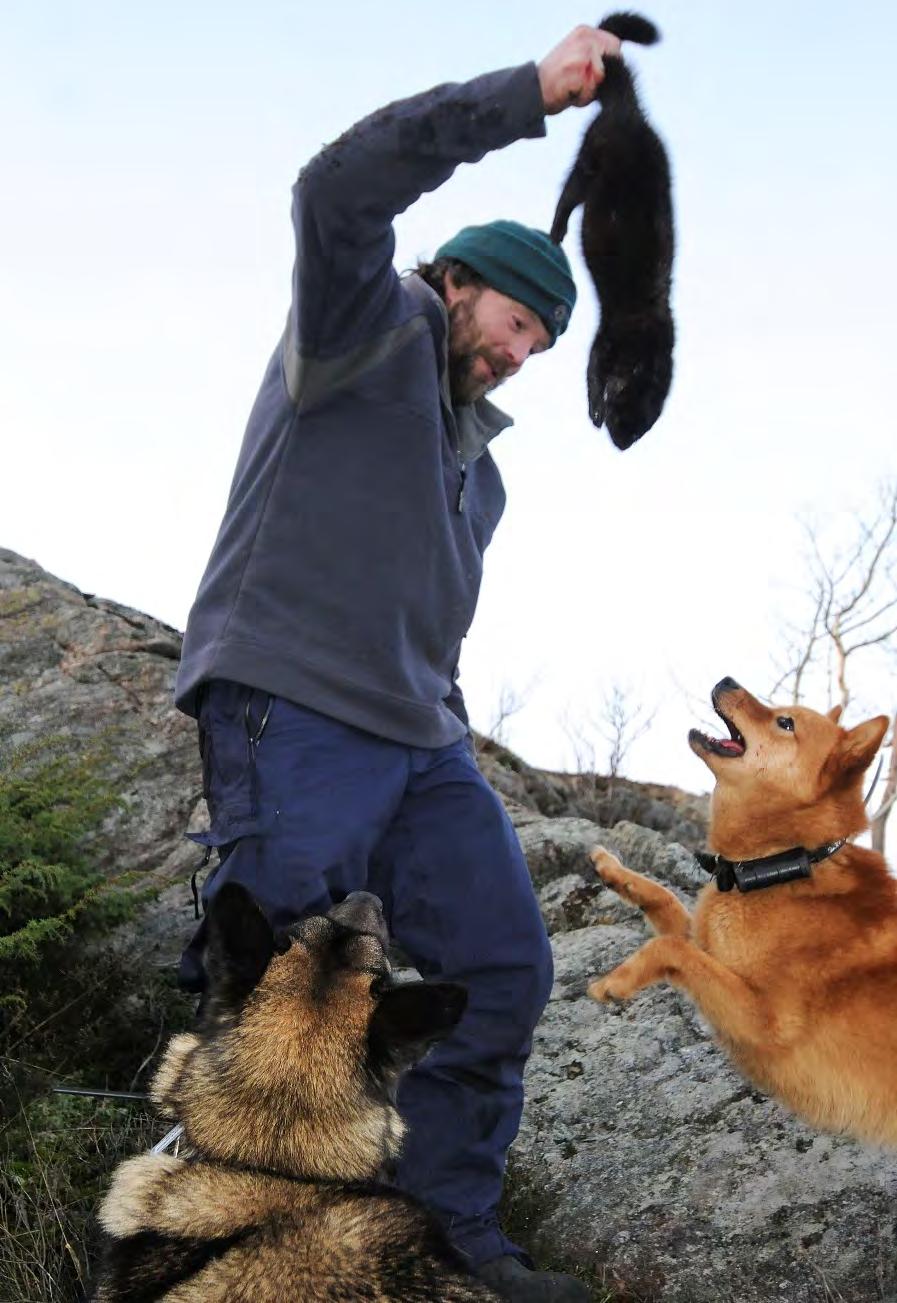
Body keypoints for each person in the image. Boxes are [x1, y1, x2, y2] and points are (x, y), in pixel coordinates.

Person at [175, 23, 622, 1302]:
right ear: (459, 280)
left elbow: (438, 631)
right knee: (283, 1001)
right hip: (293, 708)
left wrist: (452, 733)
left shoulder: (480, 476)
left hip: (423, 741)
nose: (523, 349)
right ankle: (243, 1249)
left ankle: (444, 1237)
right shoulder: (364, 327)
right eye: (518, 318)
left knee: (501, 969)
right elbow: (336, 184)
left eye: (545, 340)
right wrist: (527, 95)